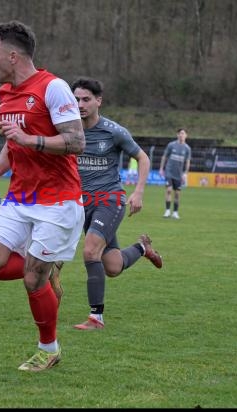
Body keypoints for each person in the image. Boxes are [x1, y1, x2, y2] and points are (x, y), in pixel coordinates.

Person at [0, 20, 85, 372]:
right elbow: (12, 140)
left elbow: (76, 141)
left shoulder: (54, 88)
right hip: (20, 197)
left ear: (12, 54)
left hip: (58, 199)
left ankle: (48, 349)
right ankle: (45, 267)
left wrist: (30, 139)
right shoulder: (5, 93)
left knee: (31, 279)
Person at [53, 77, 163, 331]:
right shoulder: (68, 133)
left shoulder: (113, 131)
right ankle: (142, 249)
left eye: (86, 99)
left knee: (90, 251)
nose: (80, 104)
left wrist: (139, 192)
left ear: (98, 101)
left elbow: (143, 158)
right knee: (112, 267)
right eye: (76, 99)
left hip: (109, 201)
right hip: (82, 205)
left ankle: (96, 318)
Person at [159, 128, 191, 219]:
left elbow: (188, 162)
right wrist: (161, 168)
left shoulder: (187, 149)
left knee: (177, 194)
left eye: (183, 133)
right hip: (169, 172)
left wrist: (185, 173)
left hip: (179, 174)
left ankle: (175, 212)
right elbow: (164, 156)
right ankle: (167, 211)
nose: (181, 135)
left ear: (186, 135)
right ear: (177, 135)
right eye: (180, 133)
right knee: (169, 190)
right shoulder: (171, 145)